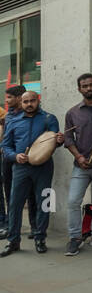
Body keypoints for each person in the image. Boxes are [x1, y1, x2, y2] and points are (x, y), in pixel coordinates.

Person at [0, 90, 63, 256]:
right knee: (15, 204)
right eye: (25, 101)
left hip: (44, 167)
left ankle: (40, 238)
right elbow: (5, 146)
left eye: (32, 101)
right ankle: (13, 241)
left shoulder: (49, 119)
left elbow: (54, 141)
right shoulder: (13, 121)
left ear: (38, 100)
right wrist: (15, 156)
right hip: (21, 168)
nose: (29, 104)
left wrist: (59, 141)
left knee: (45, 202)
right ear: (21, 102)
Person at [62, 73, 92, 255]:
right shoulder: (72, 113)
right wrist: (79, 156)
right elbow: (68, 138)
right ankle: (75, 238)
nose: (89, 88)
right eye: (85, 86)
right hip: (80, 166)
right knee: (73, 201)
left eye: (91, 85)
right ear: (79, 89)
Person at [0, 84, 37, 240]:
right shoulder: (8, 115)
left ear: (18, 98)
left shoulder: (31, 115)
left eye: (9, 97)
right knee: (10, 193)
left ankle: (35, 227)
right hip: (9, 158)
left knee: (31, 194)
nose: (6, 100)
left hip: (27, 160)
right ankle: (11, 225)